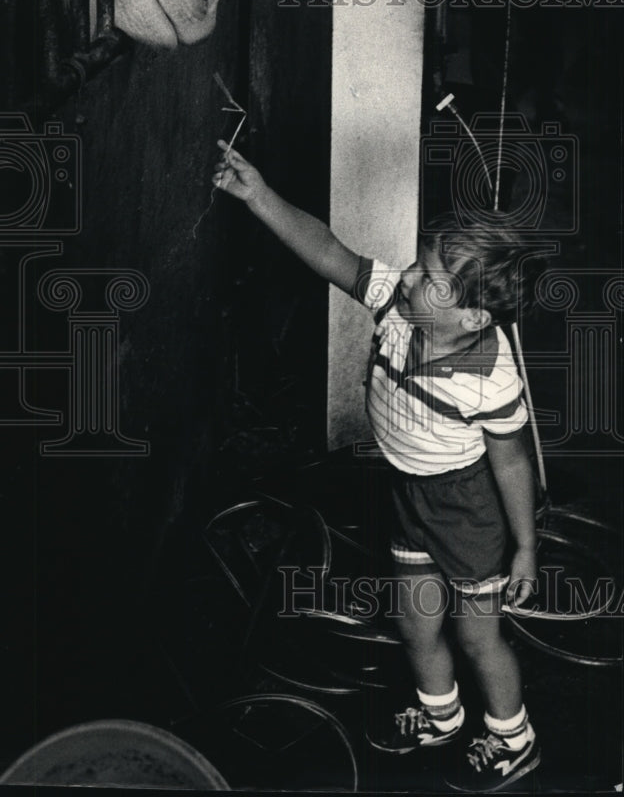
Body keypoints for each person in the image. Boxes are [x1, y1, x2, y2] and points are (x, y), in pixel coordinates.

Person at [213, 139, 544, 792]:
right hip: (406, 495)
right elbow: (330, 252)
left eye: (428, 279)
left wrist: (525, 547)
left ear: (472, 316)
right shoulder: (396, 302)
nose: (409, 277)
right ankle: (438, 712)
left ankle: (513, 736)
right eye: (418, 266)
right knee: (413, 614)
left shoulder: (490, 380)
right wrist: (258, 196)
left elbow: (510, 464)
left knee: (478, 638)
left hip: (464, 510)